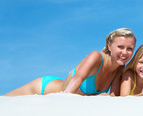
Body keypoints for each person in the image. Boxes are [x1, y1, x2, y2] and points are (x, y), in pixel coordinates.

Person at [5, 28, 136, 96]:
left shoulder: (119, 70)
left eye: (129, 49)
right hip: (43, 89)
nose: (125, 52)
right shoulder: (96, 57)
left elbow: (113, 96)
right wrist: (65, 98)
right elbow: (77, 78)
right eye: (120, 47)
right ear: (109, 46)